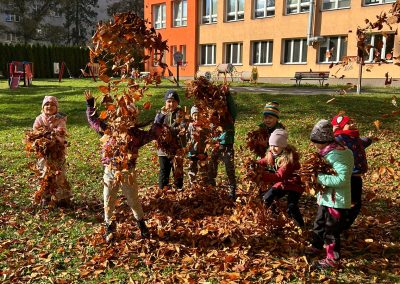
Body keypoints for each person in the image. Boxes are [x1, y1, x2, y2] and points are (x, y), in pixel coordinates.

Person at [85, 91, 162, 242]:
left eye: (128, 117)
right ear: (114, 117)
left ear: (132, 119)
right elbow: (93, 121)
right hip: (110, 171)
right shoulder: (108, 130)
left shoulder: (136, 135)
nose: (123, 120)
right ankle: (109, 225)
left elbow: (152, 134)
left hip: (128, 172)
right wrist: (90, 105)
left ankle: (141, 223)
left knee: (133, 200)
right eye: (120, 116)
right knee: (108, 199)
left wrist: (159, 120)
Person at [308, 119, 354, 269]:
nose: (315, 145)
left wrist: (318, 178)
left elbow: (341, 179)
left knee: (331, 230)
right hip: (326, 198)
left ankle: (332, 259)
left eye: (316, 142)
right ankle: (316, 246)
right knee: (319, 223)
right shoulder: (328, 152)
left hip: (336, 201)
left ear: (324, 141)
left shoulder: (339, 155)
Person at [331, 115, 372, 230]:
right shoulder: (339, 138)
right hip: (348, 177)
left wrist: (370, 139)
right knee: (350, 203)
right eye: (349, 123)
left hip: (357, 177)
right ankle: (339, 225)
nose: (353, 124)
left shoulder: (354, 138)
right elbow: (327, 143)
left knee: (355, 204)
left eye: (353, 121)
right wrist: (333, 132)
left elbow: (362, 142)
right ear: (340, 127)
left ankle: (342, 224)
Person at [257, 129, 304, 227]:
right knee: (268, 197)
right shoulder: (274, 154)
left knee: (291, 205)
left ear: (283, 146)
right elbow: (265, 161)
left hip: (294, 183)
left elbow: (279, 176)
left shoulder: (289, 159)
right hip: (284, 182)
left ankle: (300, 225)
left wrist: (261, 176)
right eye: (271, 145)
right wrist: (254, 164)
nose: (273, 148)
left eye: (276, 146)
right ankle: (273, 218)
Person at [33, 96, 71, 206]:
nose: (49, 106)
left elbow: (61, 131)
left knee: (59, 173)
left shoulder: (60, 119)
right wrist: (42, 136)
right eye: (47, 104)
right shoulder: (39, 118)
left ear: (57, 107)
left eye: (52, 105)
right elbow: (36, 131)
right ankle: (45, 196)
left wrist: (53, 134)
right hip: (44, 152)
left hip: (57, 150)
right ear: (43, 107)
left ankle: (62, 197)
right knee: (44, 172)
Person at [154, 90, 187, 191]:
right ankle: (163, 192)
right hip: (163, 149)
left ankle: (179, 191)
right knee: (164, 171)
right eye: (168, 101)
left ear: (177, 102)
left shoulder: (181, 113)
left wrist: (172, 130)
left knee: (178, 172)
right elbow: (156, 127)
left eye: (173, 101)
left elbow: (183, 127)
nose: (171, 104)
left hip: (177, 147)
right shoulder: (161, 113)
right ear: (165, 102)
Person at [208, 91, 237, 200]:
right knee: (212, 168)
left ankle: (232, 189)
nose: (220, 110)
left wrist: (228, 95)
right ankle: (211, 187)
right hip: (215, 145)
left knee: (229, 168)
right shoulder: (214, 117)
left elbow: (232, 108)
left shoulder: (230, 117)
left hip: (227, 145)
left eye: (222, 107)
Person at [186, 106, 208, 186]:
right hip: (193, 151)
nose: (197, 117)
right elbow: (187, 137)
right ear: (192, 116)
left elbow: (208, 138)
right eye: (195, 115)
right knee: (192, 168)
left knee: (204, 169)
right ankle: (192, 184)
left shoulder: (205, 126)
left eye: (199, 114)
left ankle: (204, 184)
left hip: (203, 151)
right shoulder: (190, 126)